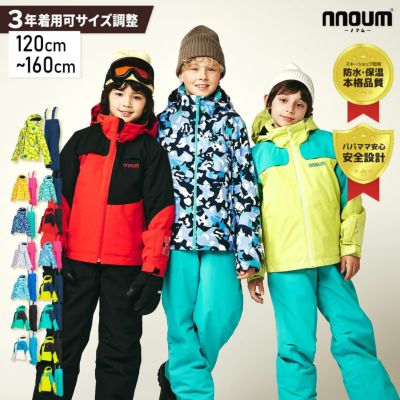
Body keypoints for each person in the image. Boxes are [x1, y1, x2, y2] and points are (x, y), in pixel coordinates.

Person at [248, 63, 399, 400]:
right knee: (295, 347)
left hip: (332, 262)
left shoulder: (330, 144)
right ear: (268, 101)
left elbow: (351, 198)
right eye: (283, 100)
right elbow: (249, 216)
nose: (290, 109)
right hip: (287, 267)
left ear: (309, 109)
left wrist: (351, 247)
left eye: (299, 103)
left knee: (353, 334)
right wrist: (254, 269)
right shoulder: (256, 156)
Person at [57, 51, 174, 400]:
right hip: (75, 266)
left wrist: (152, 272)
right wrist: (54, 257)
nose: (126, 103)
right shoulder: (81, 142)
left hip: (125, 271)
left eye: (137, 97)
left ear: (147, 103)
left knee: (119, 353)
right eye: (119, 93)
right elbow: (58, 203)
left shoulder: (151, 152)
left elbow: (160, 215)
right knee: (61, 349)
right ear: (106, 95)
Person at [157, 25, 263, 400]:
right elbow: (148, 188)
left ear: (221, 73)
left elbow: (246, 187)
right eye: (194, 67)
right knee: (180, 323)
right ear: (180, 71)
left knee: (220, 313)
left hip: (222, 239)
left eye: (211, 68)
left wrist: (249, 251)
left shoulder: (233, 123)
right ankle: (190, 391)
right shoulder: (163, 122)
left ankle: (174, 374)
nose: (202, 76)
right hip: (175, 239)